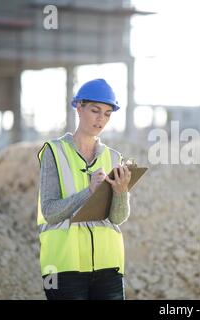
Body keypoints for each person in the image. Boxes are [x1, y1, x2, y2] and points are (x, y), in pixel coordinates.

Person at [37, 79, 132, 300]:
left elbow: (117, 218)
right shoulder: (54, 151)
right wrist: (89, 192)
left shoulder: (114, 157)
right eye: (95, 110)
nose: (101, 119)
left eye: (107, 113)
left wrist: (121, 192)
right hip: (63, 266)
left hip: (108, 265)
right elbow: (50, 212)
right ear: (79, 107)